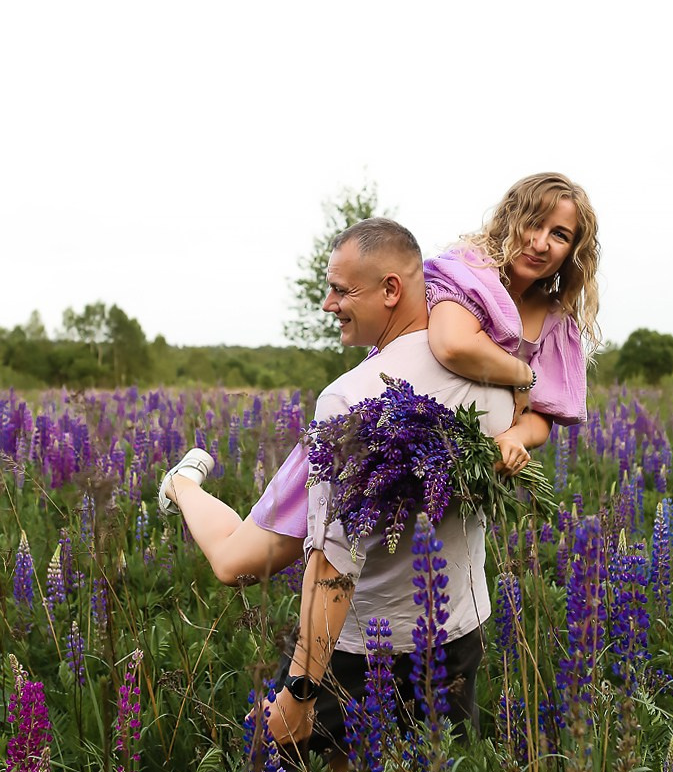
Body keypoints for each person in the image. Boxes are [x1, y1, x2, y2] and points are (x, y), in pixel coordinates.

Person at [158, 172, 600, 587]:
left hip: (424, 464)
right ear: (512, 220)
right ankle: (182, 483)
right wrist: (523, 377)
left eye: (559, 235)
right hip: (364, 433)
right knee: (239, 566)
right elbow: (452, 345)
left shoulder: (556, 324)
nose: (541, 243)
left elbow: (545, 415)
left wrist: (516, 436)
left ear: (573, 250)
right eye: (534, 224)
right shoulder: (470, 272)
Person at [253, 217, 517, 757]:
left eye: (339, 289)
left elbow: (332, 564)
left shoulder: (347, 400)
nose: (328, 303)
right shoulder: (497, 385)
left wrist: (300, 694)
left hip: (359, 649)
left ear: (391, 289)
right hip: (457, 635)